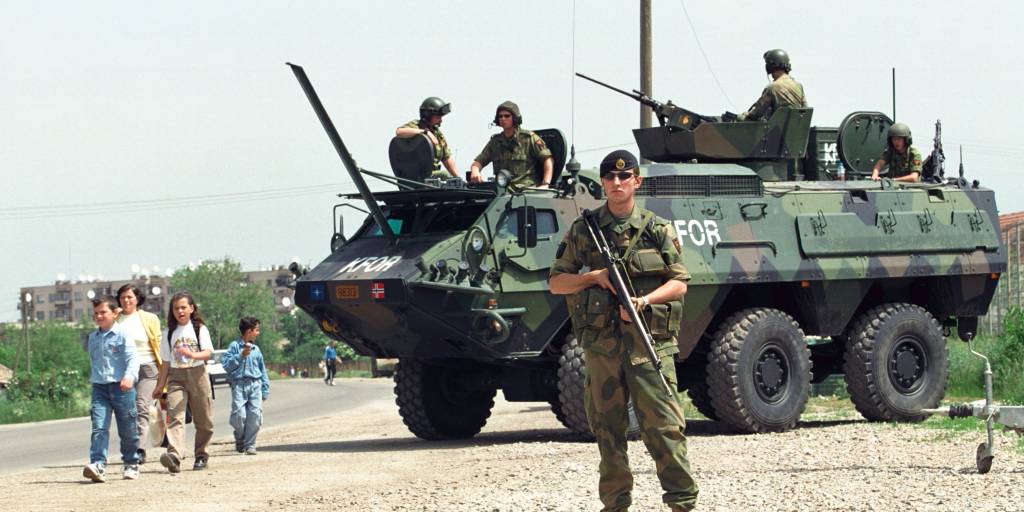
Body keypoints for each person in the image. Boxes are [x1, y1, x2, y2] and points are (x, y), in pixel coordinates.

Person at [549, 149, 698, 512]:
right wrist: (594, 277)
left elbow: (679, 282)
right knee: (608, 431)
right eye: (610, 177)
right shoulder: (584, 231)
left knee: (665, 428)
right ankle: (615, 505)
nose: (617, 183)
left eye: (624, 176)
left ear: (636, 182)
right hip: (603, 348)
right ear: (602, 182)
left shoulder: (656, 229)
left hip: (649, 346)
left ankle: (683, 503)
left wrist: (643, 303)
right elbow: (556, 283)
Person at [151, 291, 214, 473]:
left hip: (197, 374)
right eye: (176, 308)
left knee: (203, 419)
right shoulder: (169, 333)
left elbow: (208, 352)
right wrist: (159, 385)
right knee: (175, 417)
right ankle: (175, 456)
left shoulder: (199, 329)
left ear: (191, 308)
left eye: (183, 307)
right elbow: (165, 362)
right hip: (176, 377)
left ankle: (201, 455)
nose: (180, 311)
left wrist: (193, 354)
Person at [83, 296, 140, 483]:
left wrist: (129, 377)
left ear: (114, 313)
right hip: (100, 388)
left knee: (128, 429)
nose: (99, 316)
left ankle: (131, 462)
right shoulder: (93, 337)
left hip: (122, 387)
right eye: (96, 313)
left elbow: (133, 358)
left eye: (103, 312)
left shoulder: (123, 334)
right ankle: (98, 464)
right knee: (98, 427)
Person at [115, 283, 162, 465]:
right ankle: (130, 446)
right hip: (125, 369)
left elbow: (158, 343)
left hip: (147, 367)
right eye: (123, 297)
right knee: (128, 410)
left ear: (137, 299)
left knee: (142, 406)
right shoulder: (116, 319)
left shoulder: (149, 318)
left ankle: (139, 449)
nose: (126, 300)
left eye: (130, 297)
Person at [468, 101, 553, 189]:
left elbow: (547, 159)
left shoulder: (529, 139)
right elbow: (478, 162)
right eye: (500, 116)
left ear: (515, 118)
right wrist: (475, 170)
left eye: (507, 116)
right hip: (501, 192)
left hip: (525, 191)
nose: (503, 119)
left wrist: (545, 183)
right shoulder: (495, 142)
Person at [220, 316, 270, 455]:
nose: (258, 333)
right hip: (239, 385)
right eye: (256, 330)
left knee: (255, 416)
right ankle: (240, 436)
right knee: (239, 416)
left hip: (255, 385)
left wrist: (265, 389)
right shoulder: (234, 346)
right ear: (249, 331)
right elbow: (226, 365)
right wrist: (241, 355)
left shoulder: (256, 349)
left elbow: (262, 370)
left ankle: (250, 445)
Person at [395, 97, 459, 178]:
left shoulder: (437, 134)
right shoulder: (416, 126)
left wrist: (458, 178)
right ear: (428, 115)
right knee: (444, 175)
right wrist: (425, 132)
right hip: (417, 177)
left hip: (433, 177)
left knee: (453, 181)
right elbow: (399, 132)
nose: (441, 120)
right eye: (438, 117)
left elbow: (446, 158)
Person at [736, 48, 807, 121]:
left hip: (775, 131)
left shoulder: (772, 88)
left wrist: (742, 116)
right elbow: (805, 110)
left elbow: (757, 113)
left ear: (769, 66)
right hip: (796, 130)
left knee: (741, 119)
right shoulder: (799, 86)